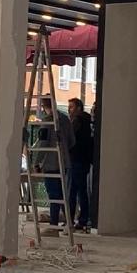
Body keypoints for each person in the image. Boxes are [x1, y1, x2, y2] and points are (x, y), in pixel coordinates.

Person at [36, 95, 74, 233]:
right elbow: (72, 140)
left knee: (53, 194)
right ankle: (69, 222)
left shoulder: (48, 121)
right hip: (63, 161)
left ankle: (53, 224)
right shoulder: (65, 119)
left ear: (43, 106)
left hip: (51, 163)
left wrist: (37, 161)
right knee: (62, 194)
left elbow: (43, 143)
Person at [67, 97, 93, 231]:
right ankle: (83, 219)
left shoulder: (77, 121)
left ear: (78, 108)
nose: (69, 110)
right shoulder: (88, 121)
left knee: (72, 191)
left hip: (76, 159)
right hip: (84, 160)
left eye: (71, 107)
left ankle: (70, 220)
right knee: (82, 191)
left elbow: (71, 139)